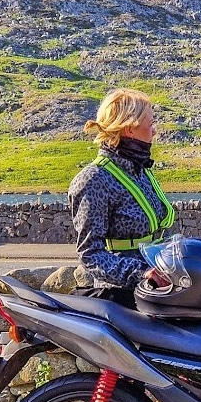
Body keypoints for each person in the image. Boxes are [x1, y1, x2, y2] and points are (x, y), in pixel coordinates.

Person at [68, 88, 175, 307]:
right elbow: (91, 254)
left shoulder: (140, 171)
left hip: (160, 290)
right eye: (150, 123)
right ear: (130, 129)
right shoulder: (93, 180)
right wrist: (142, 273)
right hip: (124, 299)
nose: (154, 131)